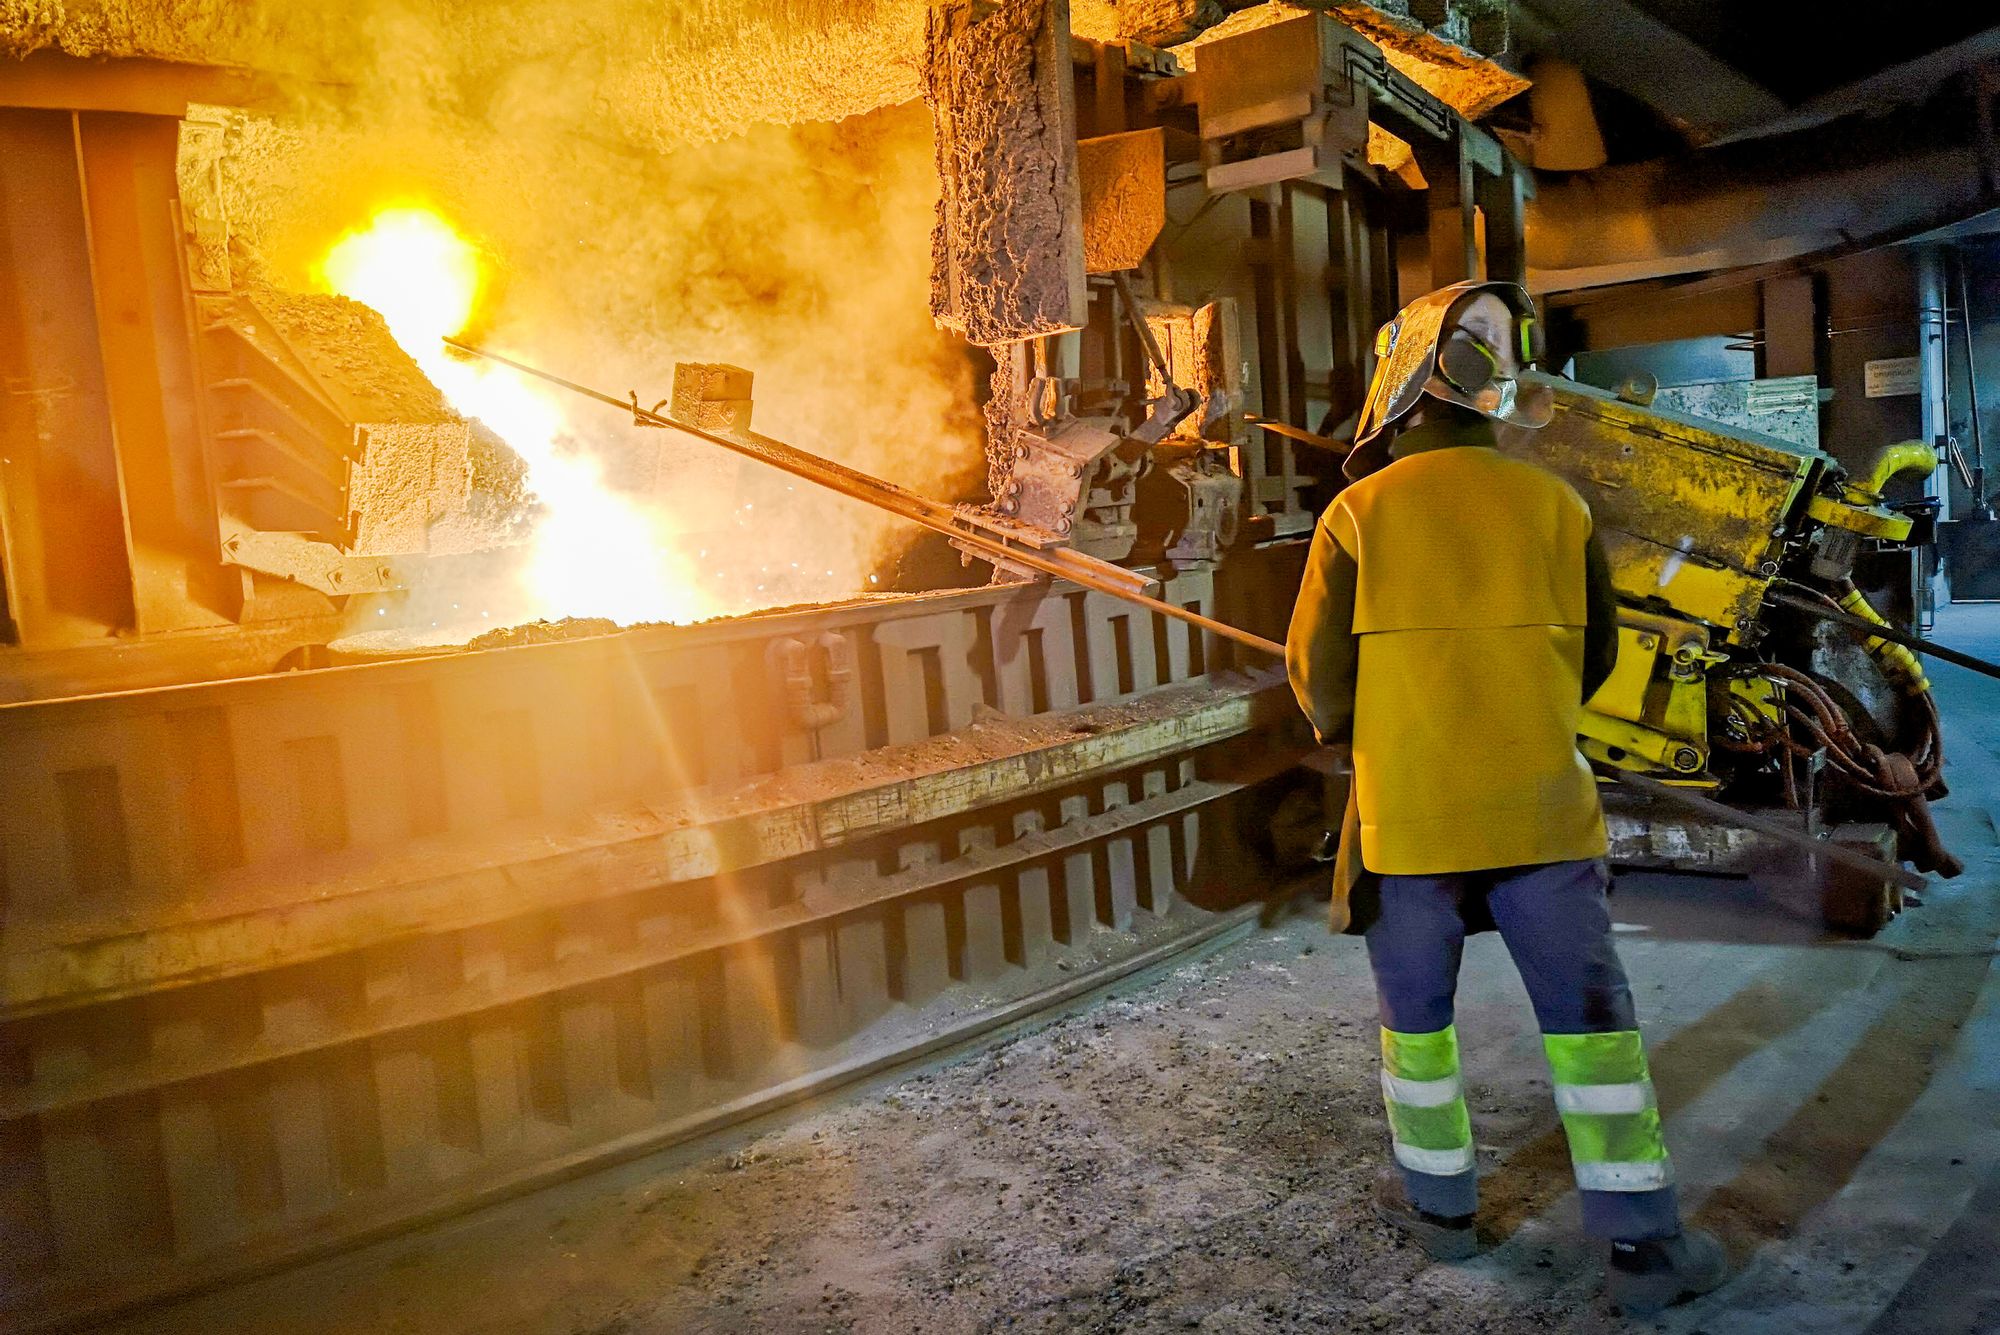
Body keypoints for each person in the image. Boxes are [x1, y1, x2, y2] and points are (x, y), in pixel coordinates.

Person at [1284, 280, 1726, 1315]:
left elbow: (1316, 683)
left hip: (1405, 823)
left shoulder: (1354, 514)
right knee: (1590, 1027)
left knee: (1417, 1028)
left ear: (1397, 386)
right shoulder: (1554, 505)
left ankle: (1442, 1219)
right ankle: (1643, 1255)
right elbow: (1598, 657)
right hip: (1542, 815)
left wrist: (1393, 731)